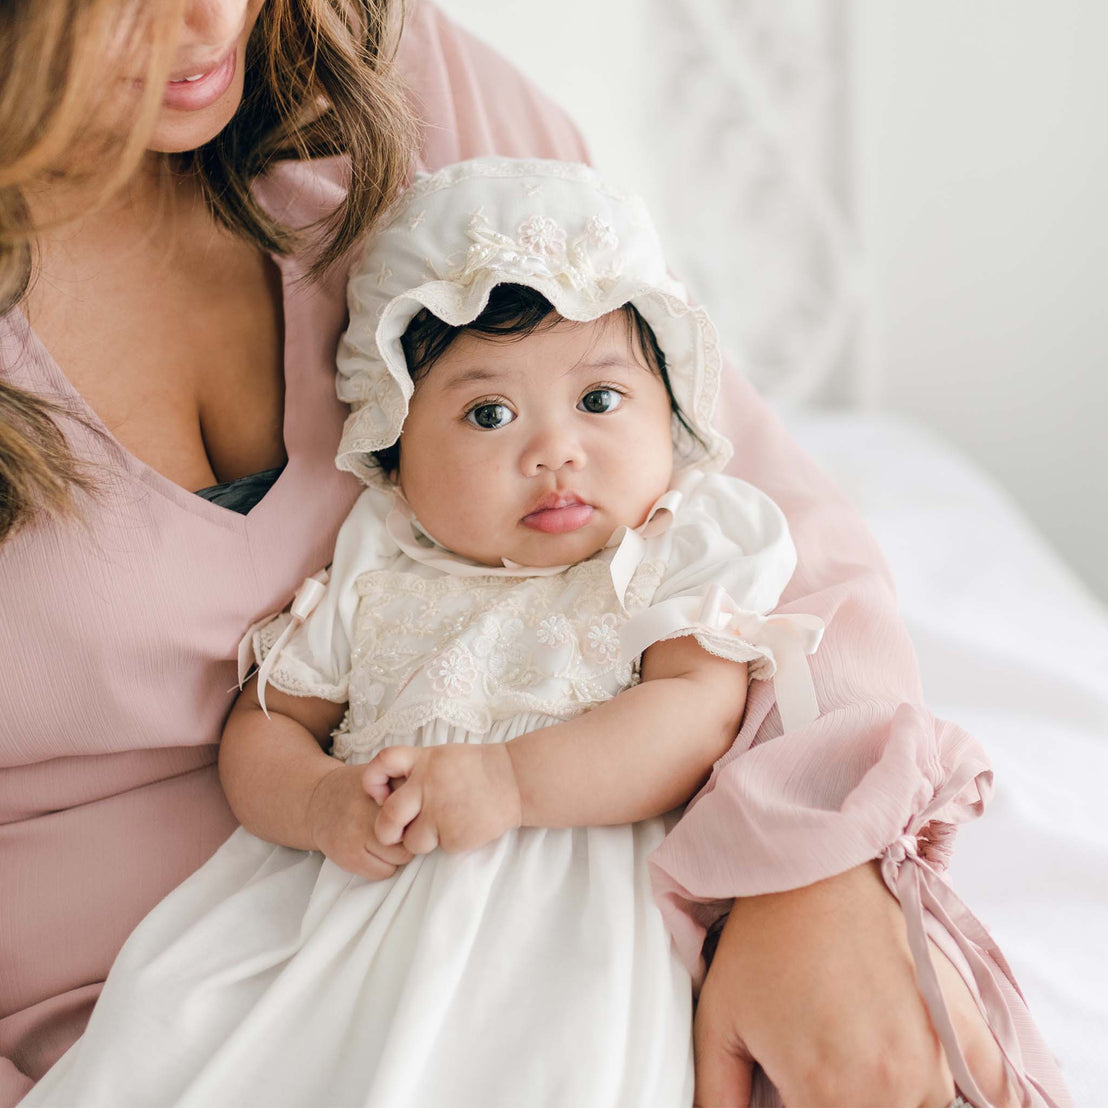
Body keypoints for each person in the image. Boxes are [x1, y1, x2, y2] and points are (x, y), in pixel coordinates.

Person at [0, 3, 1071, 1108]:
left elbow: (743, 508)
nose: (213, 15)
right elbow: (281, 714)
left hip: (623, 913)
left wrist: (814, 868)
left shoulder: (389, 81)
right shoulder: (365, 586)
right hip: (137, 1029)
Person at [22, 154, 832, 1106]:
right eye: (489, 413)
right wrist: (322, 804)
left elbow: (695, 713)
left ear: (673, 409)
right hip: (358, 922)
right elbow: (267, 722)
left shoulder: (671, 546)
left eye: (600, 400)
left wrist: (511, 781)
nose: (554, 450)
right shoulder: (380, 565)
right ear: (398, 448)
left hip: (571, 926)